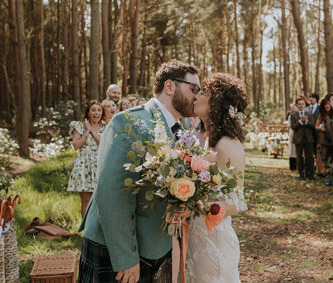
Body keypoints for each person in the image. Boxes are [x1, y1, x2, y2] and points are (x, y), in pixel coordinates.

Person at [77, 60, 200, 283]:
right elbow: (112, 194)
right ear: (170, 86)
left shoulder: (181, 132)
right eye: (194, 89)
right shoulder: (130, 121)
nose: (197, 96)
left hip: (153, 247)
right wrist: (125, 257)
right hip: (115, 250)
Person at [187, 72, 247, 282]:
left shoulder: (226, 145)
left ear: (216, 103)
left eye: (203, 92)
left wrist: (195, 203)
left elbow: (237, 203)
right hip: (199, 235)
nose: (196, 96)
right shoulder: (209, 141)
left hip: (214, 240)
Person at [67, 100, 106, 218]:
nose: (96, 113)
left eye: (99, 110)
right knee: (86, 201)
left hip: (99, 165)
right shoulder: (79, 126)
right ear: (88, 112)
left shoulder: (106, 127)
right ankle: (86, 234)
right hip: (83, 165)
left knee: (100, 201)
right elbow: (76, 145)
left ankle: (97, 233)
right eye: (93, 110)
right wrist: (86, 132)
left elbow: (103, 143)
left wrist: (92, 131)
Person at [316, 96, 333, 186]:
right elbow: (316, 126)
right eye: (325, 104)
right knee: (325, 159)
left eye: (328, 104)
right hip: (324, 140)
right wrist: (321, 128)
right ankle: (328, 177)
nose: (327, 106)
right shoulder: (322, 115)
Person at [291, 97, 315, 180]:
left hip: (308, 138)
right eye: (299, 104)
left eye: (302, 104)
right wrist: (300, 122)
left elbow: (313, 126)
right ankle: (301, 174)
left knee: (309, 157)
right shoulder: (294, 115)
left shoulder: (309, 114)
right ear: (297, 105)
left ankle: (310, 174)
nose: (301, 105)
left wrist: (307, 121)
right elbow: (293, 127)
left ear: (305, 105)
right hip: (298, 139)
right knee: (299, 157)